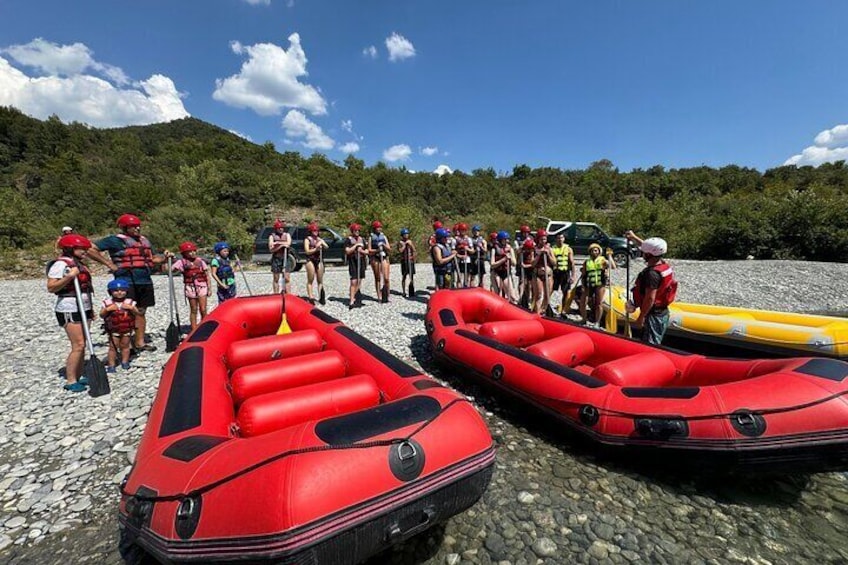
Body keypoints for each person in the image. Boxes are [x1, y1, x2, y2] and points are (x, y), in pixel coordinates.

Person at [87, 214, 169, 353]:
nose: (137, 228)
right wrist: (108, 263)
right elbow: (89, 248)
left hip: (144, 280)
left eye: (138, 226)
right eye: (133, 226)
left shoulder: (144, 241)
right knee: (125, 311)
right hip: (125, 281)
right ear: (124, 227)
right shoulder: (114, 240)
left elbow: (153, 259)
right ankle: (126, 345)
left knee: (141, 311)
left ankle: (140, 342)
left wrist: (165, 258)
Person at [47, 233, 95, 392]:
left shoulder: (79, 263)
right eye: (82, 249)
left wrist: (91, 309)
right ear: (70, 249)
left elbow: (86, 287)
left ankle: (79, 375)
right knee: (78, 344)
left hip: (84, 306)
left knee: (84, 343)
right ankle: (70, 379)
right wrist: (69, 277)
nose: (85, 252)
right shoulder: (60, 265)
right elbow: (51, 287)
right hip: (69, 307)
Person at [625, 231, 677, 345]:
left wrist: (641, 317)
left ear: (648, 255)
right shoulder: (663, 264)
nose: (642, 253)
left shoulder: (652, 274)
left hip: (653, 315)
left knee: (651, 344)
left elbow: (650, 299)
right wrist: (634, 238)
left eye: (644, 252)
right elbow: (651, 248)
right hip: (661, 312)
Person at [100, 279, 140, 373]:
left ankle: (125, 361)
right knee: (113, 347)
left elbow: (137, 313)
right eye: (116, 290)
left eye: (122, 290)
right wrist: (107, 310)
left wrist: (131, 308)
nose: (119, 292)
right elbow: (101, 315)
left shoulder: (130, 302)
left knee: (125, 346)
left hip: (127, 329)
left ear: (126, 291)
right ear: (110, 292)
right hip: (113, 330)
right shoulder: (107, 302)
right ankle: (111, 364)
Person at [171, 241, 209, 331]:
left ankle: (204, 327)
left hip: (202, 286)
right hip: (190, 287)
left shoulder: (200, 261)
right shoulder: (181, 262)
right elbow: (170, 269)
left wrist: (210, 288)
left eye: (194, 251)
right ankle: (194, 329)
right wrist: (171, 259)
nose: (193, 253)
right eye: (190, 251)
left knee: (203, 309)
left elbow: (207, 274)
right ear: (184, 253)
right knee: (194, 309)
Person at [580, 243, 616, 327]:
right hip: (589, 284)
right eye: (592, 250)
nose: (594, 252)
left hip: (600, 284)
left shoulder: (603, 260)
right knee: (583, 302)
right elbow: (583, 274)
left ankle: (597, 322)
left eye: (596, 250)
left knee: (598, 303)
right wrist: (582, 285)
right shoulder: (587, 262)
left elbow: (613, 267)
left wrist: (610, 256)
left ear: (599, 252)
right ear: (590, 252)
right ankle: (584, 319)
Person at [304, 223, 329, 305]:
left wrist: (322, 243)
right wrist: (316, 249)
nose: (316, 232)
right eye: (314, 230)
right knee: (310, 279)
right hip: (310, 259)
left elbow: (327, 247)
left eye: (317, 230)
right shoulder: (307, 239)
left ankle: (321, 296)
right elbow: (307, 251)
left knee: (320, 279)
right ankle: (311, 297)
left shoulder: (319, 239)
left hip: (319, 259)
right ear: (311, 231)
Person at [551, 233, 575, 316]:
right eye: (558, 238)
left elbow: (572, 263)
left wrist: (573, 276)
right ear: (556, 239)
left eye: (561, 238)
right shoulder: (552, 249)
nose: (560, 239)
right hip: (555, 273)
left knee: (565, 292)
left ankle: (563, 310)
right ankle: (545, 306)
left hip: (565, 272)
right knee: (550, 290)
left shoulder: (568, 249)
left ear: (564, 239)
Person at [345, 223, 368, 309]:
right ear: (352, 231)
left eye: (358, 230)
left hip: (361, 261)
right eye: (355, 230)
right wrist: (356, 246)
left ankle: (356, 298)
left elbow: (367, 251)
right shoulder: (348, 240)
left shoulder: (362, 239)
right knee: (353, 281)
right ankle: (351, 301)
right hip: (353, 262)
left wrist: (361, 251)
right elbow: (347, 251)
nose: (357, 232)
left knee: (359, 281)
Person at [490, 231, 517, 302]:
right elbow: (492, 265)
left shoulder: (510, 249)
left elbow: (514, 263)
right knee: (499, 293)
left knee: (512, 296)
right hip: (496, 272)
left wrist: (510, 257)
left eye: (507, 239)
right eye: (505, 239)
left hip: (506, 273)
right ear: (500, 240)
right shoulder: (494, 249)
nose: (507, 241)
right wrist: (504, 259)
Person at [533, 229, 555, 314]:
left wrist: (548, 254)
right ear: (538, 239)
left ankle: (544, 310)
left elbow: (554, 263)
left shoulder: (549, 249)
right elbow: (533, 263)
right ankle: (537, 313)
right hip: (538, 275)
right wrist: (539, 255)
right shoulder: (534, 249)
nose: (543, 241)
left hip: (548, 275)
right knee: (538, 295)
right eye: (542, 239)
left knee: (547, 295)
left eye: (545, 239)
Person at [368, 221, 391, 303]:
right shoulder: (371, 237)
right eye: (377, 227)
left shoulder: (383, 236)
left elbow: (389, 248)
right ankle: (379, 296)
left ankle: (387, 295)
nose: (379, 229)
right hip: (375, 258)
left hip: (384, 257)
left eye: (380, 227)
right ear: (374, 228)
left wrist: (383, 245)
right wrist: (377, 250)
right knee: (377, 278)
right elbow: (369, 250)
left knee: (386, 278)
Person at [269, 219, 292, 294]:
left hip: (285, 258)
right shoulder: (272, 236)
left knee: (287, 278)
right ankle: (276, 294)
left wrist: (278, 243)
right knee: (276, 278)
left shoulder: (287, 235)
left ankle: (288, 294)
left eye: (282, 228)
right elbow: (271, 249)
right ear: (276, 229)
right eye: (279, 228)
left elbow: (288, 244)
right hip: (276, 259)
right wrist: (281, 245)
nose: (281, 229)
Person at [397, 228, 416, 297]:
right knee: (404, 276)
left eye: (407, 234)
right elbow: (400, 251)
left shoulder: (410, 241)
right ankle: (404, 291)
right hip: (404, 261)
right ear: (402, 235)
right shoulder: (400, 242)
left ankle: (411, 290)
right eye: (405, 234)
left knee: (411, 276)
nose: (406, 235)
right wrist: (405, 245)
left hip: (410, 261)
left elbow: (414, 250)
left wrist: (411, 245)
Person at [519, 237, 536, 308]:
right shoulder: (522, 252)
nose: (528, 250)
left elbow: (533, 264)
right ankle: (524, 299)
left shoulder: (533, 252)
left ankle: (532, 301)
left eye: (530, 249)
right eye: (527, 249)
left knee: (532, 286)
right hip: (525, 271)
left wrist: (525, 266)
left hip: (532, 270)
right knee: (525, 284)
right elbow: (518, 253)